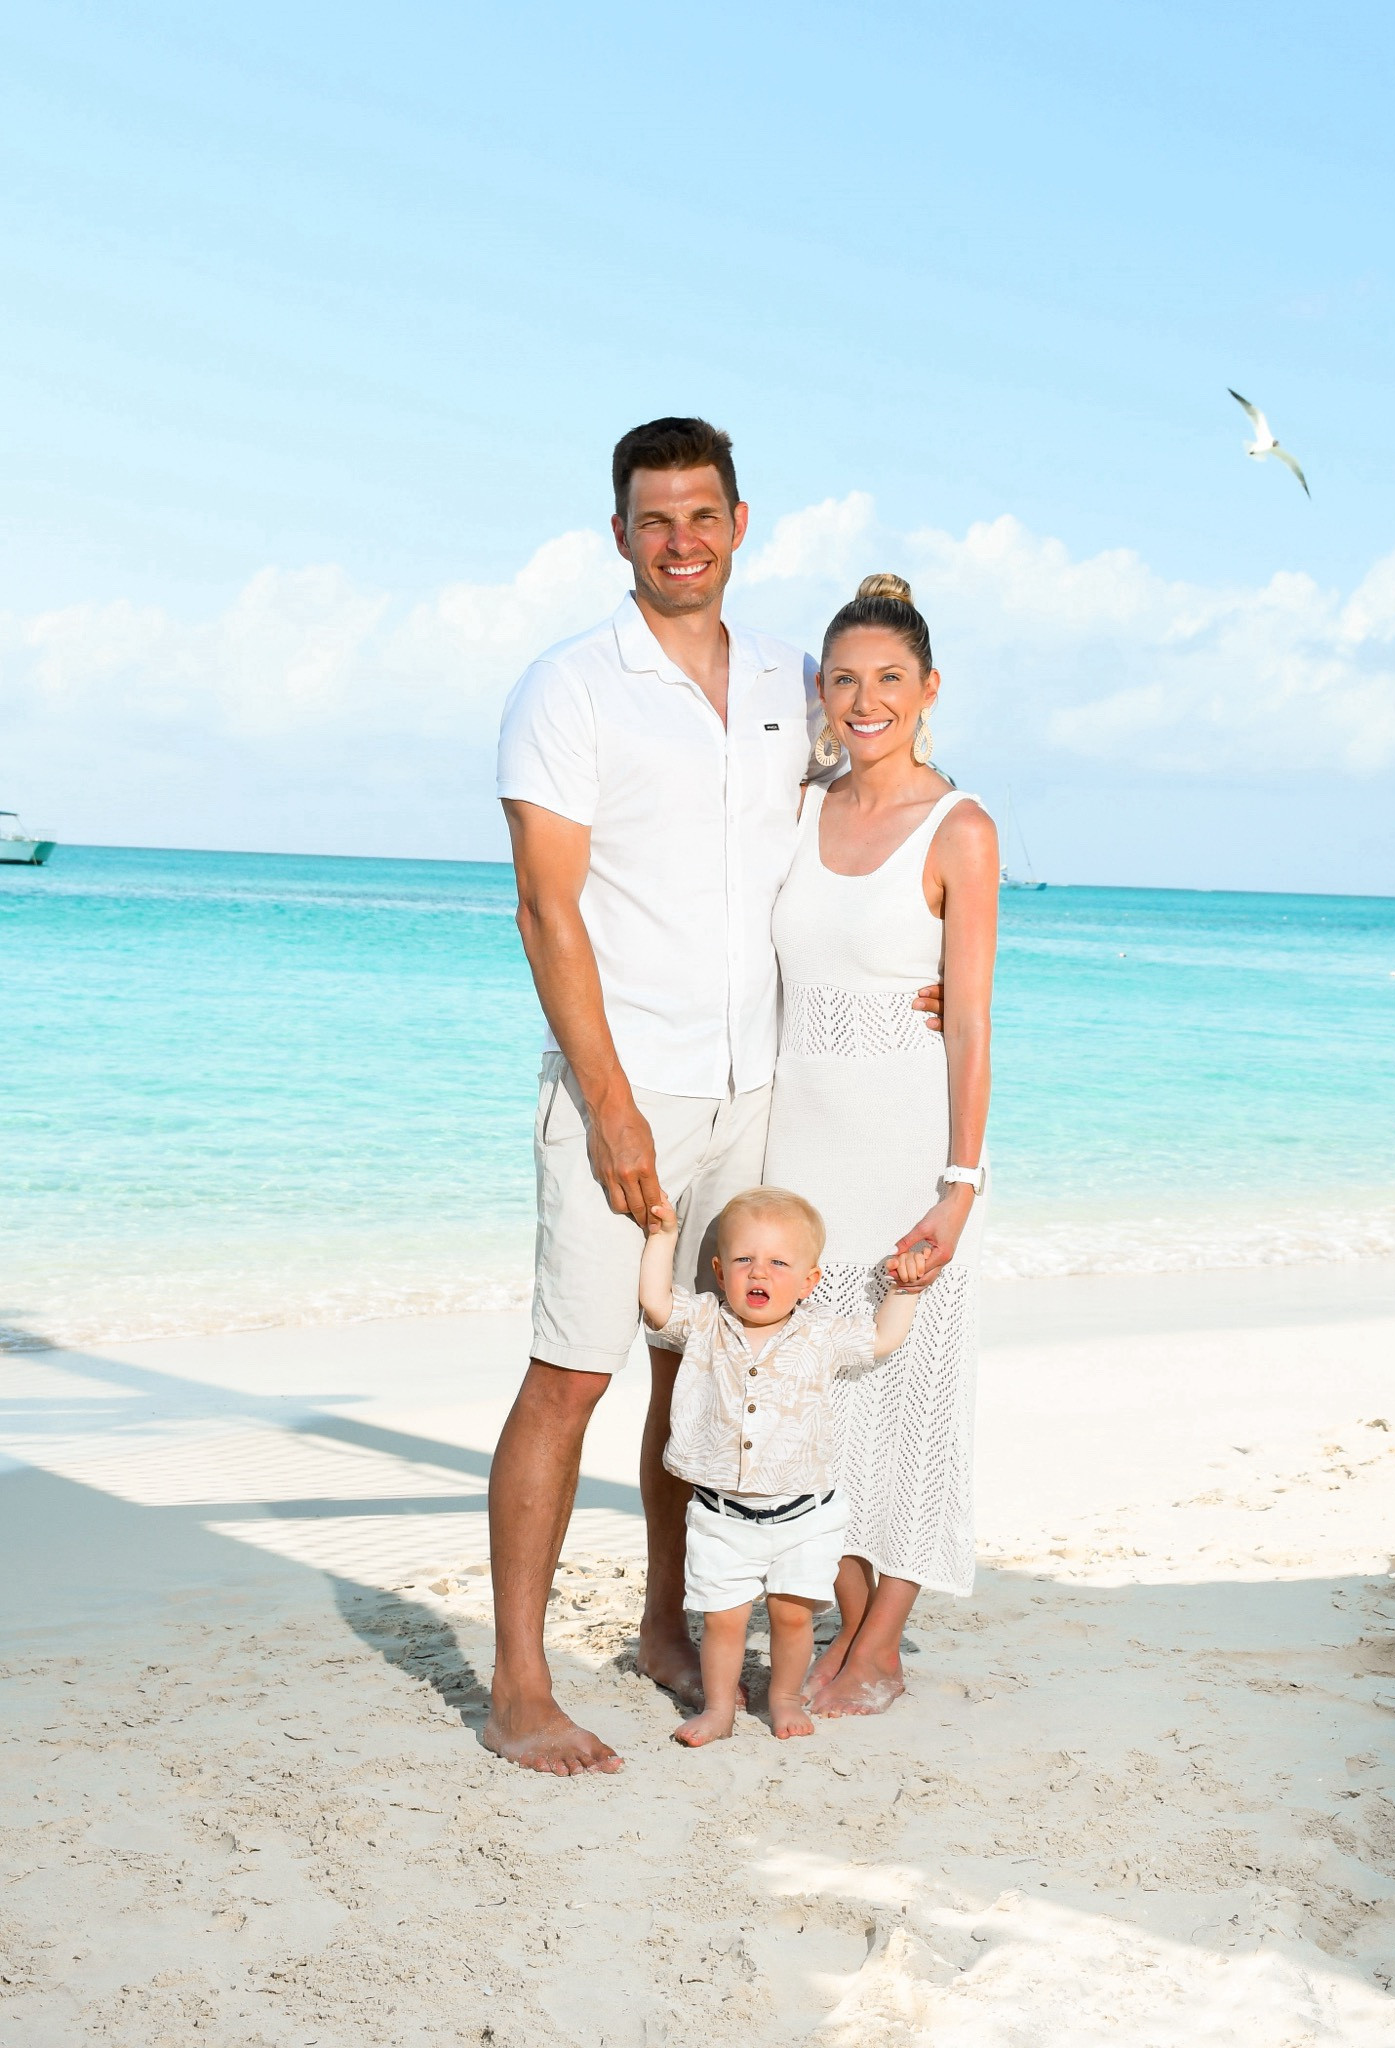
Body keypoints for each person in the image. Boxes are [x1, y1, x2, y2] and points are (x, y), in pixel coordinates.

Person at [490, 418, 944, 1774]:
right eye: (653, 518)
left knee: (696, 1373)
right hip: (624, 1092)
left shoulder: (787, 680)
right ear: (618, 534)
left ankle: (662, 1628)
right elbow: (545, 909)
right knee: (571, 1373)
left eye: (702, 515)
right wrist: (609, 1104)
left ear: (738, 525)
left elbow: (878, 796)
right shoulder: (569, 687)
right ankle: (518, 1686)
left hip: (759, 1093)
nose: (679, 540)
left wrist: (921, 959)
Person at [763, 573, 1000, 1717]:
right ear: (821, 690)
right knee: (816, 1400)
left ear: (928, 688)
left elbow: (969, 1021)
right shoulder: (796, 807)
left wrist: (958, 1184)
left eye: (889, 679)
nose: (865, 701)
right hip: (796, 1151)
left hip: (908, 1146)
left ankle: (878, 1642)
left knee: (909, 1396)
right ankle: (859, 1635)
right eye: (845, 680)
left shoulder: (962, 829)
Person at [638, 1187, 926, 1747]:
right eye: (744, 1259)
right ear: (720, 1272)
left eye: (778, 1263)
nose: (758, 1272)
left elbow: (884, 1338)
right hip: (721, 1517)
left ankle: (785, 1697)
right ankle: (719, 1708)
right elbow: (654, 1302)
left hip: (805, 1517)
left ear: (808, 1281)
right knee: (723, 1620)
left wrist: (904, 1289)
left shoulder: (820, 1333)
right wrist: (663, 1237)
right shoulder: (704, 1321)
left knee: (793, 1616)